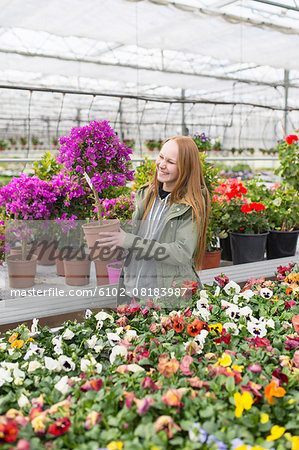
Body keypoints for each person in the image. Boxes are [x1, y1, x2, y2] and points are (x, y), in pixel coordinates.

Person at [97, 136, 210, 305]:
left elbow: (181, 253)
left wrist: (130, 241)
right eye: (161, 157)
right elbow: (142, 237)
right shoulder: (146, 194)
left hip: (167, 296)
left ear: (186, 168)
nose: (162, 164)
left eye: (171, 162)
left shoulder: (190, 205)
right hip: (134, 289)